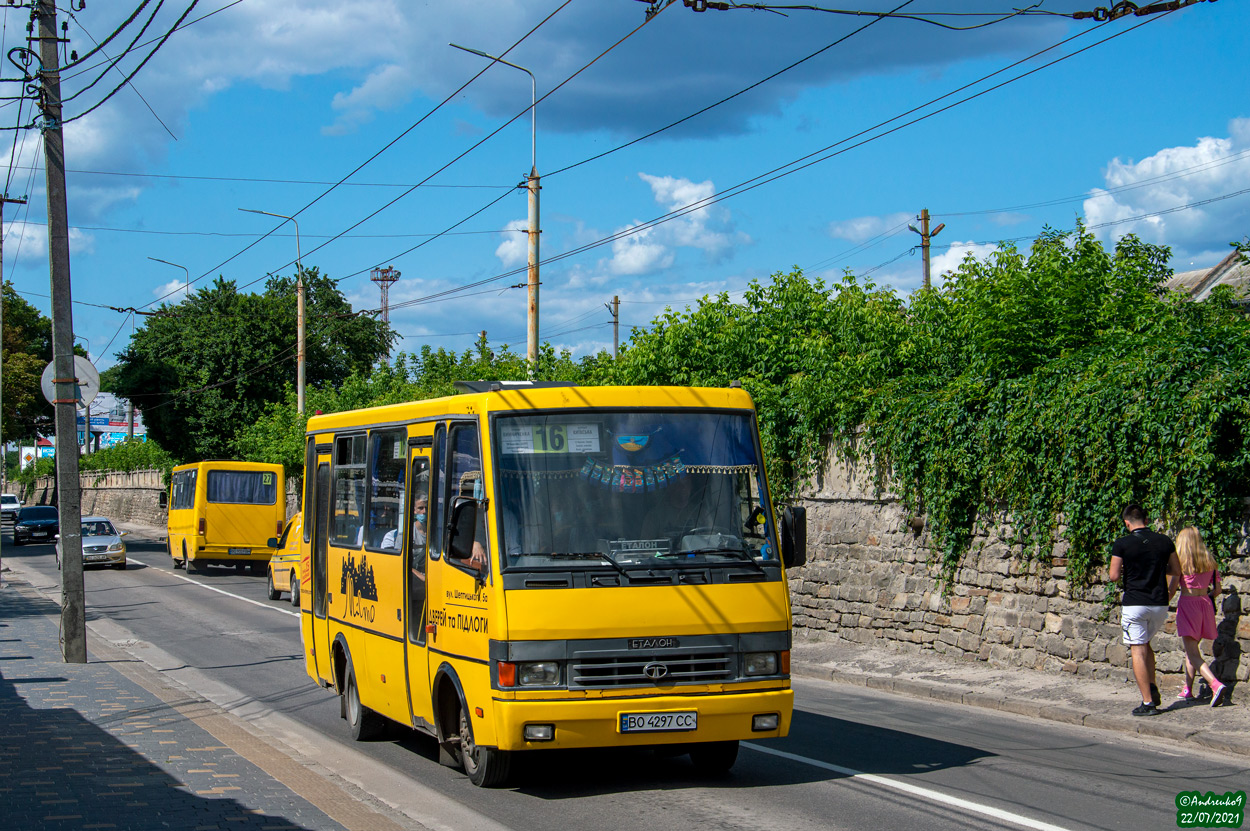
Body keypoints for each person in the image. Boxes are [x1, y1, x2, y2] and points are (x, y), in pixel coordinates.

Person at [1108, 503, 1182, 717]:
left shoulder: (1122, 544)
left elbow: (1113, 576)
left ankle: (1148, 702)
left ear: (1127, 523)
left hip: (1135, 604)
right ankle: (1152, 686)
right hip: (1159, 604)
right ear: (1147, 521)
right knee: (1146, 644)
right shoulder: (1164, 541)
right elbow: (1176, 570)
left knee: (1137, 650)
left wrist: (1127, 567)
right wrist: (1169, 592)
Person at [1171, 527, 1227, 706]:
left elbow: (1171, 586)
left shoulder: (1180, 562)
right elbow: (1217, 590)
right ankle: (1188, 689)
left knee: (1193, 652)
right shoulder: (1210, 561)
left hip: (1188, 604)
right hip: (1205, 604)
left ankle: (1214, 684)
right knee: (1192, 649)